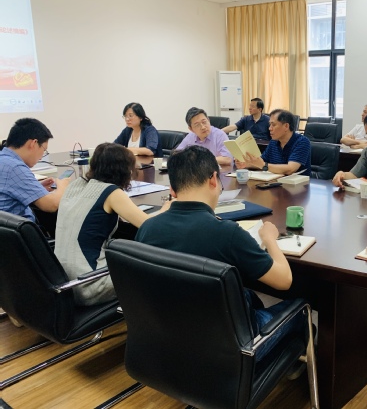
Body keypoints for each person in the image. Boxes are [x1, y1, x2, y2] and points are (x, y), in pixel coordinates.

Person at [135, 145, 304, 359]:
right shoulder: (227, 233)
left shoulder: (147, 229)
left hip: (169, 340)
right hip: (232, 349)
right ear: (214, 180)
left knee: (248, 296)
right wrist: (270, 239)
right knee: (300, 312)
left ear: (173, 190)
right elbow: (284, 280)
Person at [54, 143, 171, 306]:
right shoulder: (111, 192)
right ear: (124, 170)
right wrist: (166, 208)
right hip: (90, 284)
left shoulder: (75, 185)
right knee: (154, 270)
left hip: (63, 282)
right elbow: (148, 225)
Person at [0, 118, 70, 222]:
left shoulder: (4, 160)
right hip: (22, 231)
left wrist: (36, 189)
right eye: (44, 150)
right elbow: (51, 205)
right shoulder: (16, 167)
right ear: (33, 143)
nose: (42, 157)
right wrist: (63, 187)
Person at [235, 109, 311, 176]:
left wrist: (263, 165)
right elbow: (261, 163)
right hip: (276, 182)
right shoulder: (273, 142)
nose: (269, 128)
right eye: (270, 124)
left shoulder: (302, 141)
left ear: (286, 126)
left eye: (273, 125)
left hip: (298, 185)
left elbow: (290, 169)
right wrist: (246, 164)